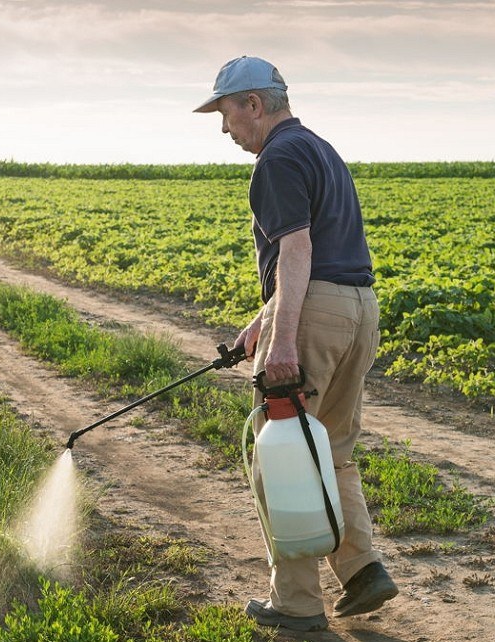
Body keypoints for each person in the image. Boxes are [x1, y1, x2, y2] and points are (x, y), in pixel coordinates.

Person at [194, 56, 399, 632]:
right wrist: (264, 320)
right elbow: (324, 253)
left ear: (253, 105)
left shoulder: (276, 161)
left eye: (227, 112)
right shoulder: (320, 149)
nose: (224, 128)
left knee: (279, 454)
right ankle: (362, 572)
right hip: (357, 309)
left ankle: (298, 604)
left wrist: (283, 342)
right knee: (329, 449)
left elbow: (299, 251)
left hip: (313, 316)